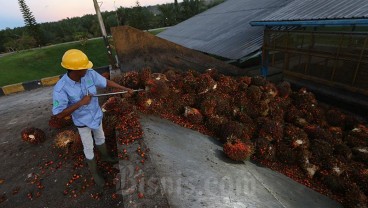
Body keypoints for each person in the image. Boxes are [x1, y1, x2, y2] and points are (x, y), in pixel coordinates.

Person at [52, 49, 132, 187]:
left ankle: (106, 157)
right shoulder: (61, 88)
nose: (88, 69)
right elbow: (59, 114)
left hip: (96, 115)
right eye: (85, 67)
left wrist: (123, 88)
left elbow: (106, 82)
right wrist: (80, 103)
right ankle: (95, 172)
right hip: (82, 122)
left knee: (100, 137)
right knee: (88, 146)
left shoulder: (89, 74)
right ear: (74, 70)